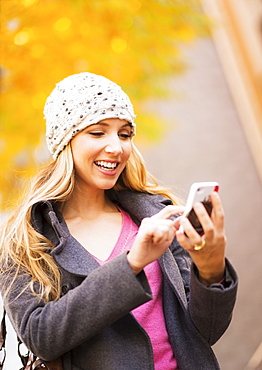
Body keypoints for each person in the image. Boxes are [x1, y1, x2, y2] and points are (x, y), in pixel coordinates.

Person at [0, 72, 237, 370]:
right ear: (65, 143)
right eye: (98, 133)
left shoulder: (157, 215)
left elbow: (205, 333)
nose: (117, 147)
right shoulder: (26, 239)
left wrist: (211, 267)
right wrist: (131, 264)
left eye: (124, 134)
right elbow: (41, 336)